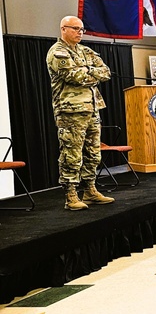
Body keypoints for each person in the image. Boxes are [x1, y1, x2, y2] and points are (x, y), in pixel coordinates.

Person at [46, 16, 114, 210]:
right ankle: (71, 196)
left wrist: (87, 71)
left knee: (93, 153)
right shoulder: (58, 52)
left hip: (92, 109)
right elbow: (74, 76)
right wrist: (90, 72)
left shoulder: (85, 51)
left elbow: (106, 71)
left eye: (82, 29)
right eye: (75, 29)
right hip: (70, 111)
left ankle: (90, 190)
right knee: (71, 154)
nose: (80, 32)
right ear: (63, 29)